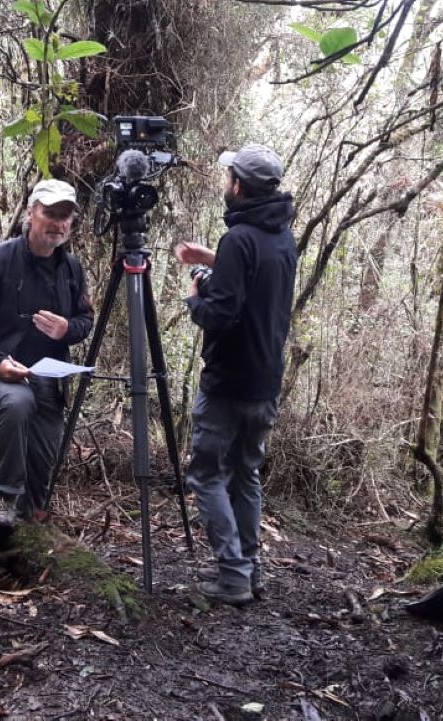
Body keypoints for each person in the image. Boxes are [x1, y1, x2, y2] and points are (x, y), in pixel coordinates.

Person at [173, 144, 298, 606]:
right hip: (266, 379)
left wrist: (194, 297)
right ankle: (251, 566)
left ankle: (232, 575)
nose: (226, 184)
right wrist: (212, 261)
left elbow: (220, 316)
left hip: (228, 382)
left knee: (207, 474)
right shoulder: (282, 236)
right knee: (245, 474)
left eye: (229, 177)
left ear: (239, 186)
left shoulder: (240, 238)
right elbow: (256, 284)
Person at [0, 179, 94, 530]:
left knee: (43, 465)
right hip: (1, 372)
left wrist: (67, 329)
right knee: (16, 403)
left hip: (49, 378)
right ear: (31, 213)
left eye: (65, 216)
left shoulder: (71, 268)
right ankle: (2, 497)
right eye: (50, 213)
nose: (58, 223)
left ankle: (28, 528)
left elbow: (85, 319)